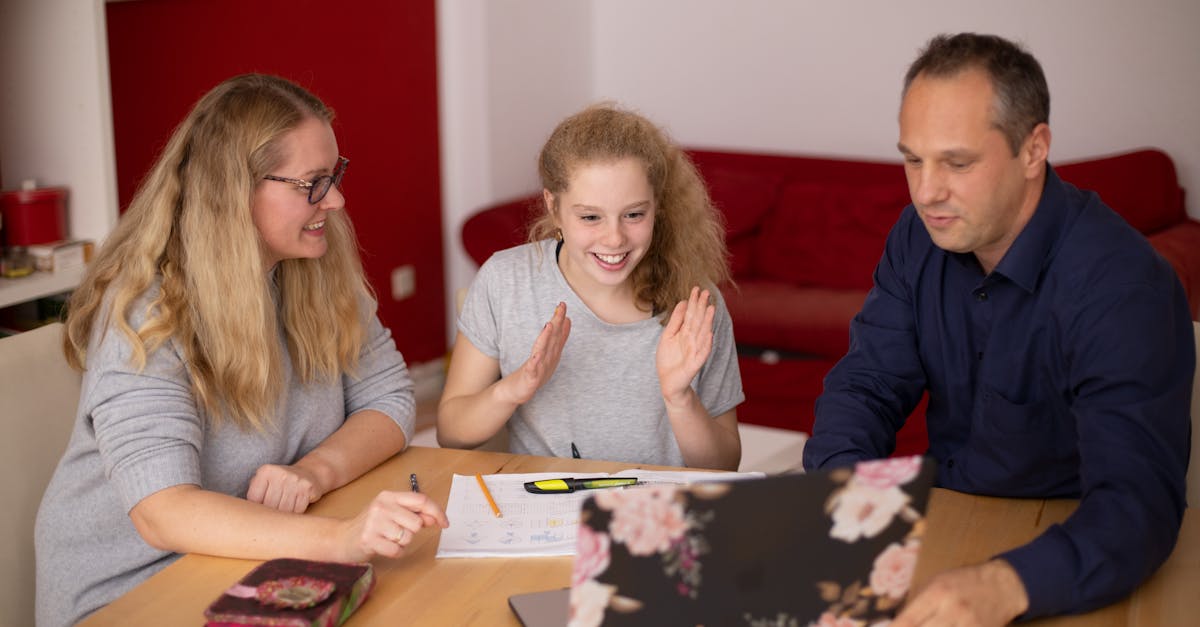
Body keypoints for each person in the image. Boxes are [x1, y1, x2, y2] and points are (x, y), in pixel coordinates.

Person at [804, 33, 1193, 624]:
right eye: (913, 159)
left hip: (1068, 561)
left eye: (957, 163)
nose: (926, 192)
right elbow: (866, 385)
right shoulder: (917, 236)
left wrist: (1005, 585)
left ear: (1033, 150)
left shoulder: (1122, 286)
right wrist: (845, 490)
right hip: (947, 529)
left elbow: (1136, 505)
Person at [34, 74, 448, 627]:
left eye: (335, 175)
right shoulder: (147, 312)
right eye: (313, 183)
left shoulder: (314, 266)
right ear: (234, 191)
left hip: (253, 558)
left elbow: (390, 398)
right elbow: (163, 511)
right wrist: (340, 539)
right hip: (133, 587)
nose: (336, 199)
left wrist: (317, 471)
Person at [438, 104, 743, 470]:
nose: (614, 238)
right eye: (590, 217)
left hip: (659, 503)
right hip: (548, 500)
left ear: (657, 206)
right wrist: (515, 388)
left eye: (634, 214)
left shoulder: (694, 304)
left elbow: (725, 466)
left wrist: (680, 398)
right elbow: (450, 431)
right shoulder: (505, 281)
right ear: (554, 207)